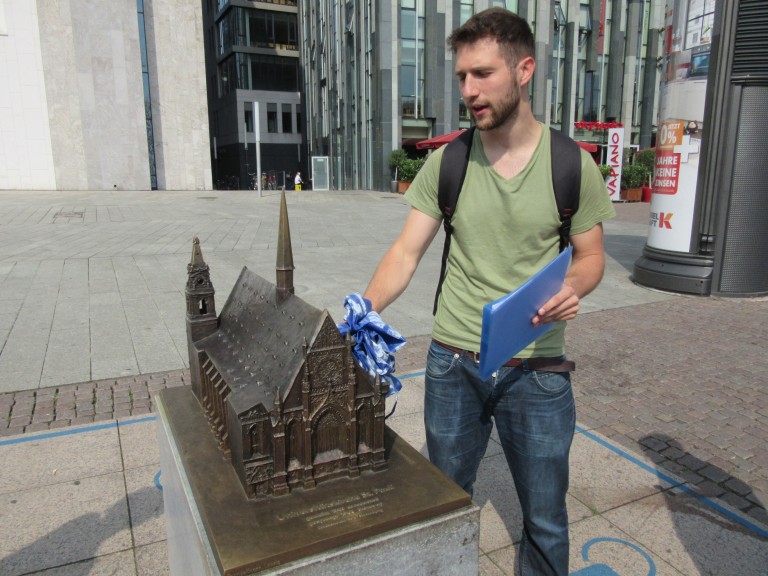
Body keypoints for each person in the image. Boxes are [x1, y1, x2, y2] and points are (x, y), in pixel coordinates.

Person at [361, 9, 614, 576]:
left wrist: (573, 287)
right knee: (444, 508)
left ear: (523, 70)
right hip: (454, 364)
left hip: (539, 369)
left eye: (482, 74)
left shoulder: (570, 164)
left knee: (545, 520)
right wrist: (360, 312)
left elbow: (592, 257)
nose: (469, 91)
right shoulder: (448, 161)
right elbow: (405, 253)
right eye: (461, 78)